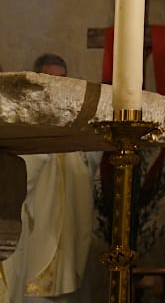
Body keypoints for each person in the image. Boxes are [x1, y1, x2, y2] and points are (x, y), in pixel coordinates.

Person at [0, 57, 97, 303]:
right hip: (35, 238)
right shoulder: (23, 126)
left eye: (62, 80)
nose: (58, 87)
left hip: (67, 242)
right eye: (51, 80)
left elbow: (88, 170)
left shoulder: (72, 128)